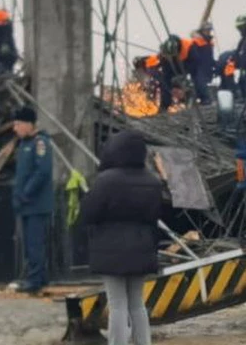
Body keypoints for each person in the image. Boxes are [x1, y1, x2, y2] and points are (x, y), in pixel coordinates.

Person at [81, 130, 167, 345]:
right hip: (142, 248)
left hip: (111, 250)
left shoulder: (106, 180)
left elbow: (89, 213)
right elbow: (158, 213)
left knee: (117, 304)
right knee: (137, 302)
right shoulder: (153, 181)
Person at [9, 106, 54, 294]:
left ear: (29, 124)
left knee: (35, 243)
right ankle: (37, 277)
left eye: (18, 124)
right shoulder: (23, 144)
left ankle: (34, 280)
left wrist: (26, 193)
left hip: (36, 205)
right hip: (26, 205)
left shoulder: (40, 143)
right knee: (29, 243)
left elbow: (42, 172)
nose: (15, 128)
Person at [189, 23, 216, 105]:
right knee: (200, 84)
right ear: (202, 31)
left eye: (209, 30)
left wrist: (214, 65)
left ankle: (203, 100)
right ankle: (205, 99)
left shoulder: (209, 42)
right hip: (198, 67)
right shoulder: (196, 41)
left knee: (202, 84)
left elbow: (210, 56)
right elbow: (194, 56)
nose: (208, 32)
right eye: (206, 30)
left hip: (207, 67)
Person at [232, 15, 246, 96]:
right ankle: (244, 97)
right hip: (243, 65)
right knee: (242, 81)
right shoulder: (243, 39)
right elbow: (239, 52)